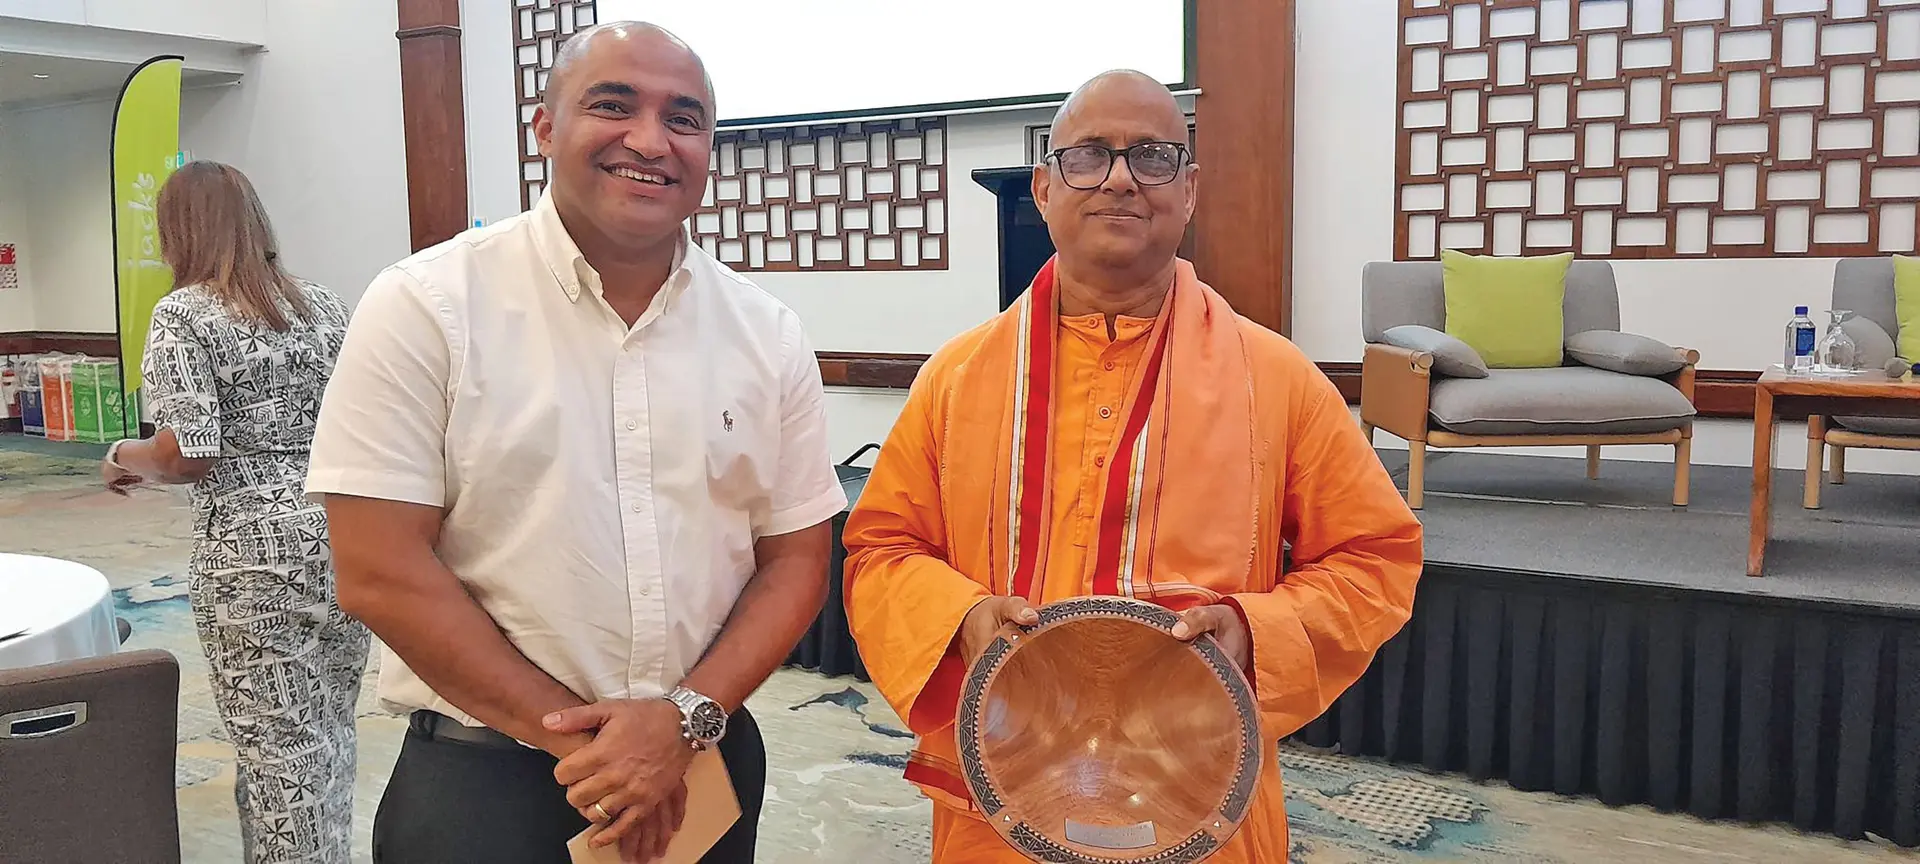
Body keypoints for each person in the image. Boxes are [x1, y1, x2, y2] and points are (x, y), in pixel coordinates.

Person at [841, 70, 1426, 862]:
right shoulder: (957, 377)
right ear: (1044, 189)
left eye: (1152, 156)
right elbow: (883, 550)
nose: (1119, 177)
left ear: (1189, 192)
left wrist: (1256, 633)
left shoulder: (1276, 378)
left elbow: (1374, 558)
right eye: (1089, 156)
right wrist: (965, 619)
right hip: (1003, 793)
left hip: (1198, 785)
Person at [303, 20, 845, 864]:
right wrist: (591, 747)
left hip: (702, 763)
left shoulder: (765, 334)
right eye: (614, 105)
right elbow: (380, 570)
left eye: (684, 117)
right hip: (485, 783)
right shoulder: (427, 306)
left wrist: (683, 718)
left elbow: (797, 560)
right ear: (547, 128)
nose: (650, 140)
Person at [99, 160, 371, 863]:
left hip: (251, 558)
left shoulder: (183, 313)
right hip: (342, 538)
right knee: (330, 737)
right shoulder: (324, 306)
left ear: (177, 232)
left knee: (277, 756)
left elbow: (188, 453)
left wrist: (122, 455)